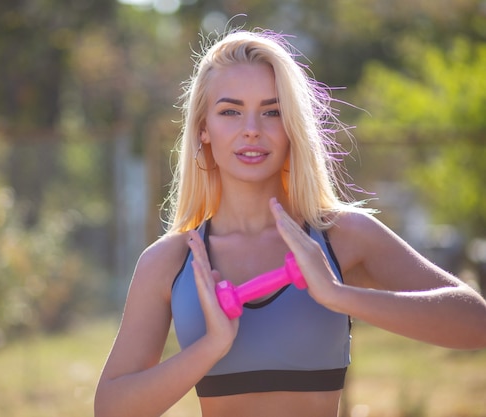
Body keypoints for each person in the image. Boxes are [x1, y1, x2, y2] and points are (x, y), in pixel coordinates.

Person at [94, 29, 486, 417]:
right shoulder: (170, 261)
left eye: (272, 111)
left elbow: (476, 322)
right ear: (203, 129)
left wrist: (337, 295)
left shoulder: (342, 237)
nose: (252, 128)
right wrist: (212, 345)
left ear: (292, 126)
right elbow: (110, 410)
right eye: (230, 111)